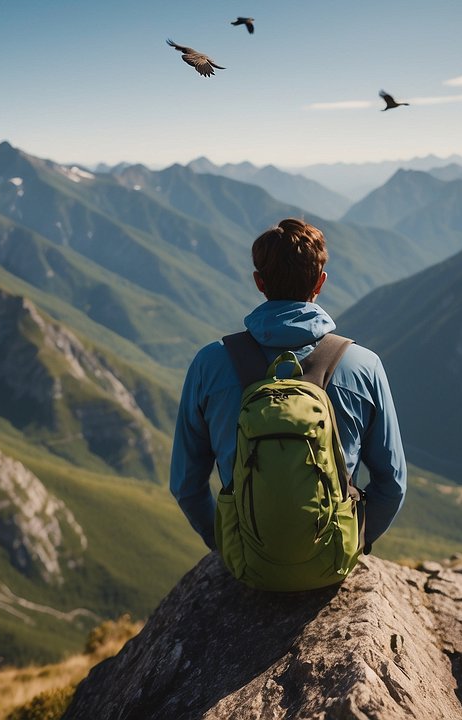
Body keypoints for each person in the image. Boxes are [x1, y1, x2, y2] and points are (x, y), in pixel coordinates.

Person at [170, 218, 407, 555]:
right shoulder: (363, 365)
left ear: (259, 282)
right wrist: (356, 541)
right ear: (321, 282)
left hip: (246, 557)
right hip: (332, 555)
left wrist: (227, 545)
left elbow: (185, 485)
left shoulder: (210, 363)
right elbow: (392, 482)